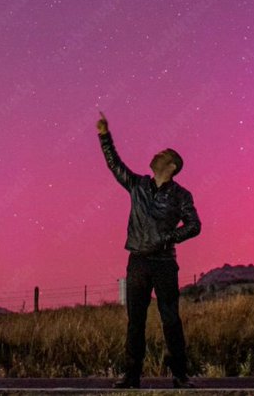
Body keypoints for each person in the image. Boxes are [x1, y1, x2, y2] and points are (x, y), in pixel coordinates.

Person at [97, 111, 201, 389]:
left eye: (162, 154)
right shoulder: (138, 185)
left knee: (171, 320)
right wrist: (104, 136)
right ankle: (131, 377)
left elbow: (195, 225)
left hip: (164, 263)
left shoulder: (181, 195)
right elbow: (114, 165)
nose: (156, 154)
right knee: (135, 322)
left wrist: (168, 238)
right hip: (138, 262)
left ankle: (180, 376)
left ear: (172, 166)